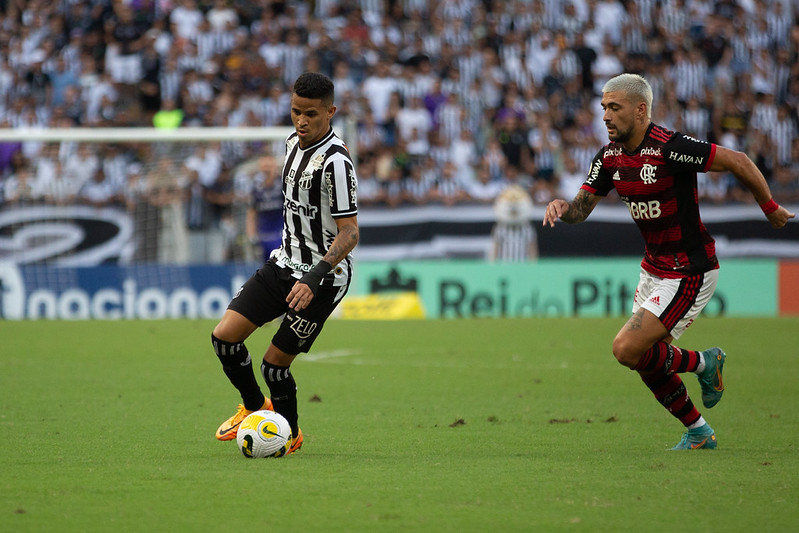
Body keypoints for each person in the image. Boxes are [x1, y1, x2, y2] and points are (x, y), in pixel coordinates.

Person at [542, 73, 794, 450]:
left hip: (689, 269)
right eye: (603, 108)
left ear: (640, 110)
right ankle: (699, 431)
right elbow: (581, 210)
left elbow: (738, 160)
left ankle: (704, 364)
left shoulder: (670, 148)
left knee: (626, 349)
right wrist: (564, 207)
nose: (606, 116)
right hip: (653, 269)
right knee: (641, 358)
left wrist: (770, 208)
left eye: (615, 107)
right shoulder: (609, 158)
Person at [211, 72, 359, 454]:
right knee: (224, 338)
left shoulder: (337, 163)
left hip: (322, 278)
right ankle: (256, 408)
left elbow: (350, 233)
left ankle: (289, 435)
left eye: (310, 113)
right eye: (295, 111)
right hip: (282, 263)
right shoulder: (291, 142)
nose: (301, 120)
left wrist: (314, 276)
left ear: (331, 112)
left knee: (274, 365)